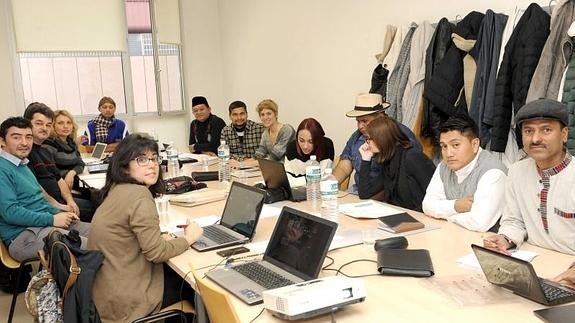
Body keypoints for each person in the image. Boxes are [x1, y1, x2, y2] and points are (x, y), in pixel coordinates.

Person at [88, 133, 203, 322]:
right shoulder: (140, 195)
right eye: (142, 159)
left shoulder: (117, 188)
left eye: (154, 159)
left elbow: (131, 236)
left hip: (106, 290)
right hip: (127, 299)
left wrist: (160, 238)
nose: (151, 165)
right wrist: (189, 239)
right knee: (194, 285)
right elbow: (156, 253)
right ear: (125, 167)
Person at [484, 99, 575, 255]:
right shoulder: (516, 172)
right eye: (528, 131)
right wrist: (505, 239)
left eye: (546, 130)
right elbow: (514, 221)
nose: (535, 139)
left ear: (564, 134)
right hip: (532, 259)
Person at [0, 117, 90, 262]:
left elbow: (38, 201)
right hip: (22, 237)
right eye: (16, 137)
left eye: (28, 137)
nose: (24, 143)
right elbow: (11, 213)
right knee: (93, 246)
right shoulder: (2, 168)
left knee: (104, 234)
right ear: (2, 141)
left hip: (42, 225)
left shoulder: (22, 164)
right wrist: (52, 219)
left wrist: (60, 212)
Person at [422, 115, 507, 232]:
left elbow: (479, 222)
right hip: (452, 234)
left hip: (486, 243)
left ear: (475, 144)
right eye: (444, 146)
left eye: (455, 145)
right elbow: (427, 205)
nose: (449, 153)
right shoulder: (444, 166)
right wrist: (456, 206)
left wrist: (445, 213)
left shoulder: (493, 172)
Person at [333, 93, 422, 194]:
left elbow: (396, 182)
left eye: (365, 121)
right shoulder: (357, 136)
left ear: (380, 117)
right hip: (360, 191)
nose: (360, 126)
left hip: (387, 196)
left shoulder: (400, 135)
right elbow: (344, 166)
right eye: (358, 121)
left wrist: (368, 199)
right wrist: (328, 183)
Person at [24, 103, 95, 222]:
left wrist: (69, 200)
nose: (44, 128)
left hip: (61, 200)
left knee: (100, 201)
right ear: (27, 125)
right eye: (39, 124)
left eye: (48, 125)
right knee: (99, 207)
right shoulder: (25, 152)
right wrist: (60, 206)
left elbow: (59, 180)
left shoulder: (44, 151)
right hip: (48, 208)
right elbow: (35, 188)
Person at [357, 116, 435, 211]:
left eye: (370, 139)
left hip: (421, 216)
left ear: (382, 138)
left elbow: (435, 196)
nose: (367, 143)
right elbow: (365, 194)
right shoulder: (388, 160)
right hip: (400, 215)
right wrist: (366, 159)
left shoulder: (412, 156)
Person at [43, 110, 85, 190]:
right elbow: (51, 171)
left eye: (69, 123)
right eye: (60, 123)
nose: (66, 126)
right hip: (59, 188)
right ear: (53, 125)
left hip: (73, 183)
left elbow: (80, 163)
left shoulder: (71, 142)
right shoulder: (48, 144)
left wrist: (71, 173)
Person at [220, 100, 264, 168]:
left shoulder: (259, 129)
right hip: (234, 169)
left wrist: (246, 162)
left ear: (247, 114)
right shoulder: (226, 131)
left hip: (256, 169)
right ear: (230, 116)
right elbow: (225, 154)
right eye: (235, 115)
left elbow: (264, 153)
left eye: (242, 114)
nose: (239, 118)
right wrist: (244, 160)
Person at [252, 99, 295, 164]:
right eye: (262, 114)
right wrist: (240, 163)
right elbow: (259, 155)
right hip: (275, 170)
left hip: (291, 171)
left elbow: (274, 157)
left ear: (276, 114)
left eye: (268, 114)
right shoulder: (265, 133)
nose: (265, 117)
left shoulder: (287, 130)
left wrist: (241, 164)